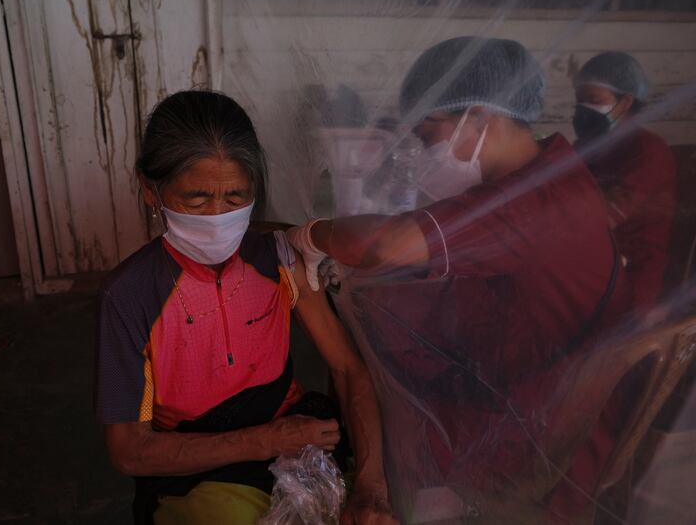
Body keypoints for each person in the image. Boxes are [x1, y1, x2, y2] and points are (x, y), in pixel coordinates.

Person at [287, 37, 631, 520]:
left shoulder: (530, 202)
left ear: (480, 118)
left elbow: (388, 243)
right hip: (536, 383)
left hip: (540, 436)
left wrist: (311, 235)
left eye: (430, 134)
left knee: (374, 362)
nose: (425, 152)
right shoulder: (548, 166)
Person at [94, 91, 396, 525]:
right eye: (197, 201)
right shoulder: (128, 296)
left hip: (296, 434)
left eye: (236, 198)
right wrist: (267, 440)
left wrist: (372, 487)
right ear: (149, 189)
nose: (218, 217)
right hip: (198, 464)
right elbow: (129, 450)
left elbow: (348, 370)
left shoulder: (276, 258)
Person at [573, 51, 677, 312]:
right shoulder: (586, 147)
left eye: (593, 100)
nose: (583, 109)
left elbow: (603, 217)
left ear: (626, 102)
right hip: (589, 266)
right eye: (579, 101)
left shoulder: (649, 151)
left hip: (630, 281)